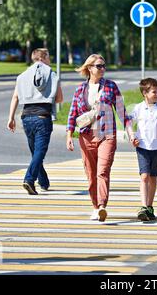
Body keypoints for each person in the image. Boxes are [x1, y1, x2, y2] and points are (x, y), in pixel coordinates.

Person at [66, 54, 132, 222]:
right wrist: (69, 135)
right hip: (86, 136)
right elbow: (73, 112)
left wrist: (130, 131)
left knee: (102, 171)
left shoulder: (111, 86)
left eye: (104, 65)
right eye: (99, 66)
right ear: (89, 68)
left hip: (106, 135)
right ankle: (95, 206)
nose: (103, 69)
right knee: (90, 174)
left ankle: (102, 206)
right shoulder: (80, 89)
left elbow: (122, 111)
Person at [7, 48, 63, 195]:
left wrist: (11, 117)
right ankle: (29, 179)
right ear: (43, 58)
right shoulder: (51, 74)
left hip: (26, 117)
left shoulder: (22, 76)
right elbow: (59, 99)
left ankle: (43, 182)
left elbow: (15, 97)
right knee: (39, 152)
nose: (50, 60)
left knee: (36, 152)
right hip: (43, 117)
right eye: (49, 57)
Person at [129, 78, 157, 221]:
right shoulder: (138, 108)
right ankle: (143, 206)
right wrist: (132, 137)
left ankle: (149, 206)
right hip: (142, 147)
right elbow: (128, 122)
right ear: (145, 93)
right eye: (154, 92)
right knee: (144, 176)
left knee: (153, 177)